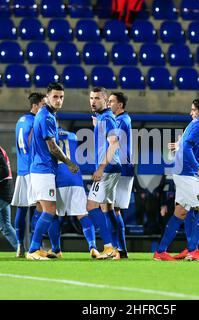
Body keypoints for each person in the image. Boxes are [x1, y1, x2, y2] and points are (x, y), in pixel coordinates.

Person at [153, 96, 199, 261]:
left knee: (181, 212)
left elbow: (195, 150)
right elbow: (186, 149)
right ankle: (193, 250)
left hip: (183, 172)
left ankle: (160, 252)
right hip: (186, 174)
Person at [25, 83, 78, 260]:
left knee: (43, 210)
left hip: (39, 169)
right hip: (43, 170)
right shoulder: (47, 117)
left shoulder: (44, 115)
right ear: (47, 97)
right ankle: (33, 249)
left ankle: (46, 249)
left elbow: (33, 137)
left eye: (61, 97)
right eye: (55, 96)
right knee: (50, 210)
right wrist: (69, 162)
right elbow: (53, 147)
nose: (59, 100)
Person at [47, 127, 99, 258]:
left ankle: (56, 249)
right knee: (82, 214)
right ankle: (92, 246)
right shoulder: (72, 135)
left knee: (53, 215)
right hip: (75, 178)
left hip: (58, 178)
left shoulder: (49, 137)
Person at [86, 87, 122, 260]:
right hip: (111, 168)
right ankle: (116, 248)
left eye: (97, 98)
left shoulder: (107, 118)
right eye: (91, 98)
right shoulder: (102, 118)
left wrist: (100, 168)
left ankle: (109, 247)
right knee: (107, 209)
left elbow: (114, 144)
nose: (93, 101)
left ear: (106, 101)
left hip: (107, 168)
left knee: (91, 206)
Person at [12, 92, 45, 257]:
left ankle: (20, 245)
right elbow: (32, 142)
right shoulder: (35, 121)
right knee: (41, 206)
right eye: (43, 105)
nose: (45, 108)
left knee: (22, 209)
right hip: (34, 169)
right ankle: (35, 244)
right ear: (35, 105)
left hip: (22, 170)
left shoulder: (20, 121)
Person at [108, 91, 133, 258]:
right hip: (123, 168)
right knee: (113, 209)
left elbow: (113, 141)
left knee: (113, 209)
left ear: (120, 105)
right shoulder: (122, 119)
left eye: (111, 101)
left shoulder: (121, 120)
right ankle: (120, 249)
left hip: (122, 169)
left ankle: (119, 248)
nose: (109, 104)